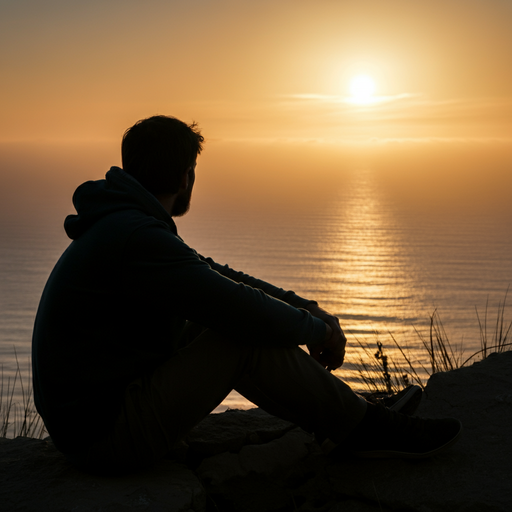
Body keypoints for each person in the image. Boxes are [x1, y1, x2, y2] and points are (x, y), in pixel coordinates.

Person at [32, 115, 461, 474]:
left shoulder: (125, 226)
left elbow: (218, 278)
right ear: (186, 176)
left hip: (95, 420)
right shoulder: (135, 236)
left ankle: (351, 414)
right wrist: (316, 330)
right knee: (238, 336)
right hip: (104, 440)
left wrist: (308, 309)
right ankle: (362, 429)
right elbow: (236, 306)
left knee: (217, 319)